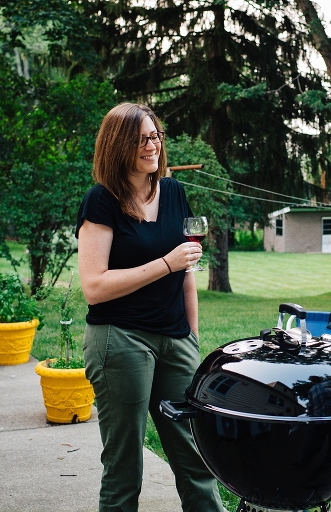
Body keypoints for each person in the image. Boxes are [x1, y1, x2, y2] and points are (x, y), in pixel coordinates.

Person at [75, 102, 225, 512]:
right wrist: (164, 264)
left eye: (155, 135)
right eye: (141, 138)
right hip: (120, 340)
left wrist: (192, 337)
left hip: (175, 339)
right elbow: (94, 287)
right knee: (125, 464)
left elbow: (187, 269)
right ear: (118, 146)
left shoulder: (174, 192)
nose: (152, 144)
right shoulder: (101, 201)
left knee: (196, 456)